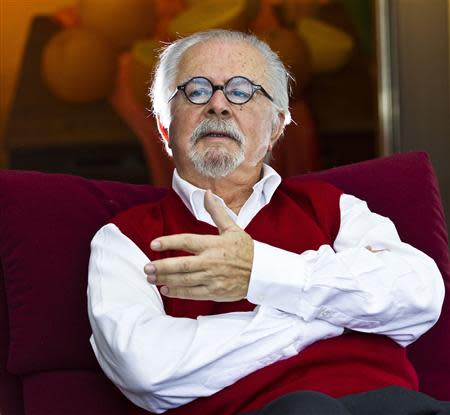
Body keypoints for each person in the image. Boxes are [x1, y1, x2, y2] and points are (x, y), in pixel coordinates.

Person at [87, 30, 448, 415]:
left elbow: (419, 295)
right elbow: (146, 367)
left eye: (242, 90)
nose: (219, 105)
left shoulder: (333, 208)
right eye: (196, 89)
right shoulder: (125, 239)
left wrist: (257, 272)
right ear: (164, 126)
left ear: (276, 126)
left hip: (398, 405)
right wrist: (327, 313)